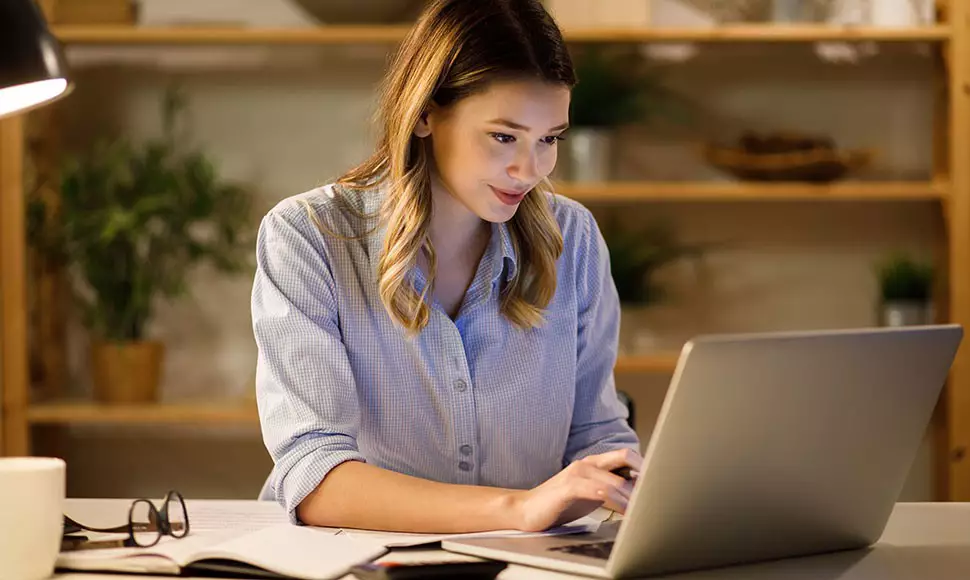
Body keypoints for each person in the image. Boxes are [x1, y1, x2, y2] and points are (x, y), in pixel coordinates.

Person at [251, 0, 642, 534]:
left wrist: (634, 481)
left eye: (549, 139)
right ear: (426, 113)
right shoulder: (307, 236)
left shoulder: (571, 239)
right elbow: (313, 474)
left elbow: (596, 434)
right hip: (359, 562)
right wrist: (518, 509)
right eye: (504, 136)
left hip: (524, 566)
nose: (530, 169)